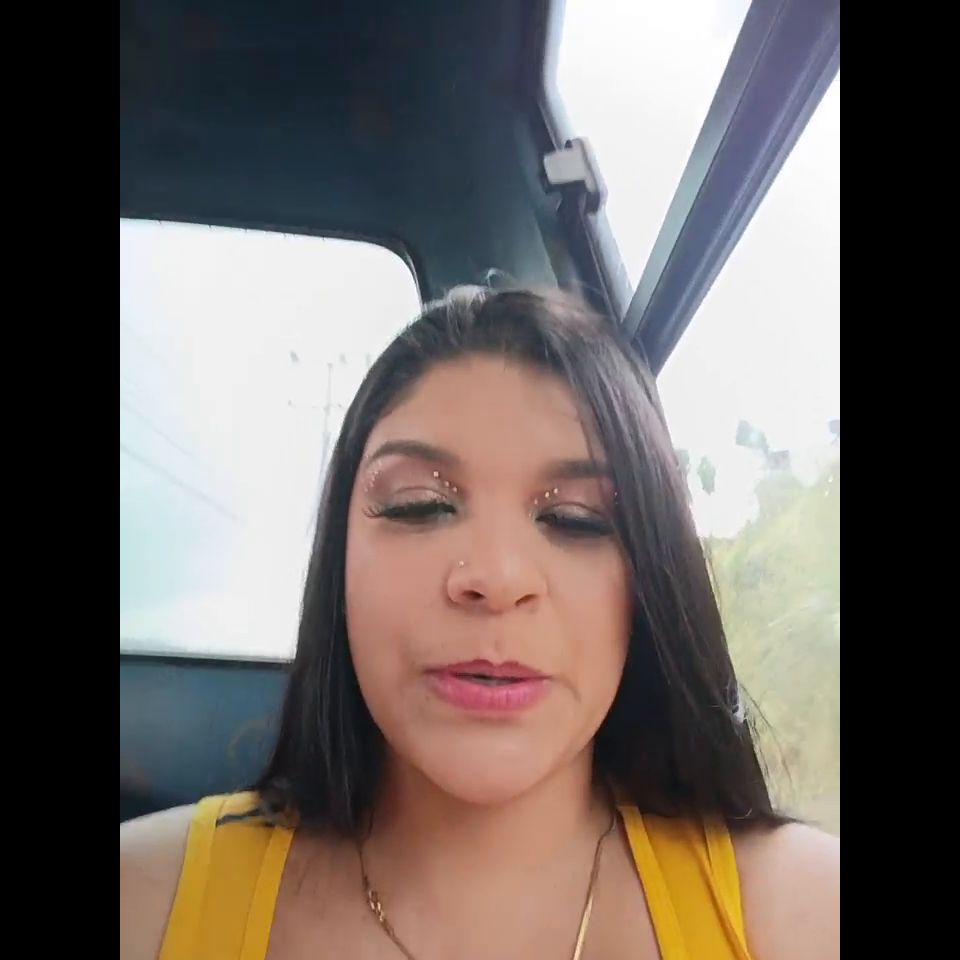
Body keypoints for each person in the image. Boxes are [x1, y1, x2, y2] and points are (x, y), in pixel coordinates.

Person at [120, 287, 839, 960]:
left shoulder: (805, 914)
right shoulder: (142, 901)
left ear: (650, 581)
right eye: (421, 505)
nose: (495, 577)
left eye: (574, 518)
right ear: (339, 564)